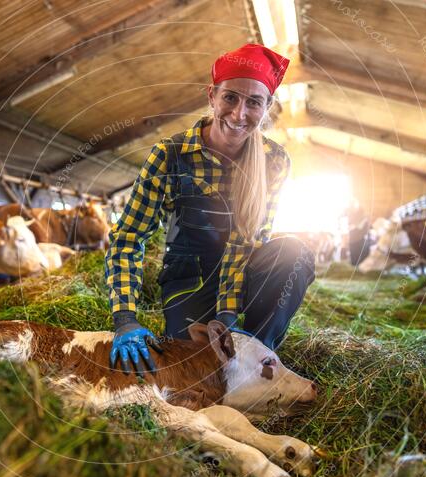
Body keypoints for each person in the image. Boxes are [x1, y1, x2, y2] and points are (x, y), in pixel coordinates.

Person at [104, 43, 315, 375]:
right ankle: (230, 358)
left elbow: (248, 241)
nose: (239, 114)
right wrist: (125, 318)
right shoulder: (170, 155)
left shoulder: (274, 160)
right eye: (230, 97)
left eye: (254, 102)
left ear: (267, 107)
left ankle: (259, 355)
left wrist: (228, 320)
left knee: (294, 253)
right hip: (188, 277)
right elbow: (128, 238)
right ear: (212, 96)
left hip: (242, 272)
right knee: (192, 363)